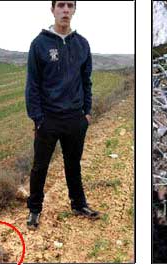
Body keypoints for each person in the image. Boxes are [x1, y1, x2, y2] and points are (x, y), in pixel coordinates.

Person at [25, 0, 100, 230]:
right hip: (48, 119)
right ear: (53, 10)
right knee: (40, 166)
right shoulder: (39, 44)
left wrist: (86, 113)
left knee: (73, 164)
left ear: (74, 10)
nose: (65, 10)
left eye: (69, 5)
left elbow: (86, 81)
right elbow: (33, 84)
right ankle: (34, 210)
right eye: (61, 5)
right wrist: (37, 118)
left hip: (75, 119)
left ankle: (78, 204)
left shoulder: (82, 44)